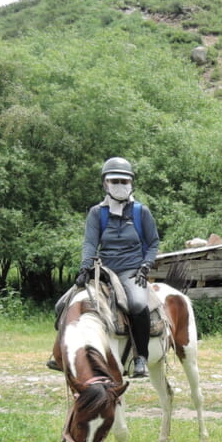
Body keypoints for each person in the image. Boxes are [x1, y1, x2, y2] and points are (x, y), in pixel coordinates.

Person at [75, 157, 160, 378]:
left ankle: (140, 357)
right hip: (104, 271)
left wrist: (145, 265)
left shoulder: (142, 212)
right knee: (65, 304)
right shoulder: (97, 213)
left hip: (132, 271)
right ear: (105, 184)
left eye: (124, 181)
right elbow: (90, 243)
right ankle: (61, 354)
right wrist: (85, 266)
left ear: (131, 183)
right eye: (115, 181)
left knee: (138, 304)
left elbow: (153, 243)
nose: (120, 186)